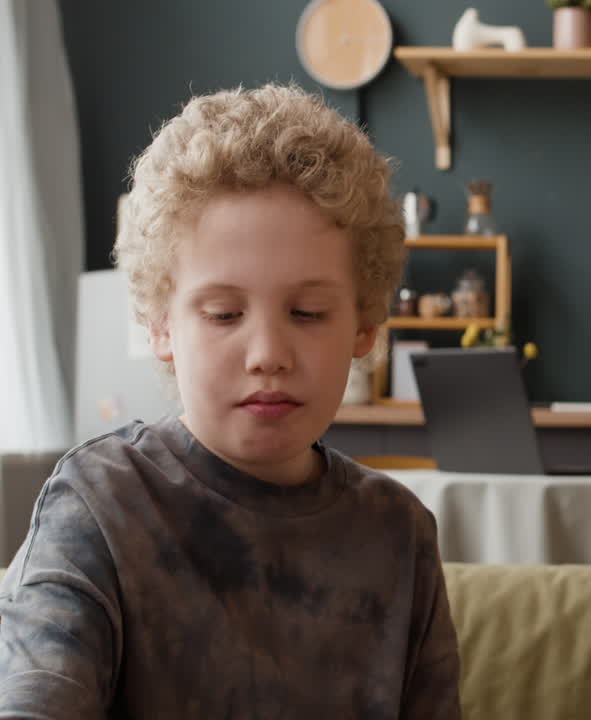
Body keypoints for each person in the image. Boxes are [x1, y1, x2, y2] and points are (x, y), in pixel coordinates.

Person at [0, 84, 461, 718]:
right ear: (162, 325)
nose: (267, 352)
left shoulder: (399, 535)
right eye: (223, 314)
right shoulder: (98, 508)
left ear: (364, 324)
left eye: (307, 312)